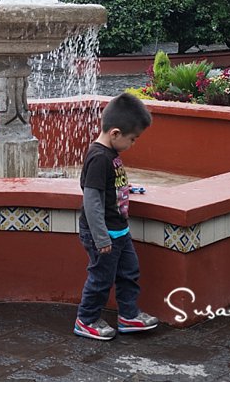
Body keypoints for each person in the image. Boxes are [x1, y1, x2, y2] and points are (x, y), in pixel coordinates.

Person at [74, 92, 159, 341]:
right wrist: (101, 239)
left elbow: (109, 189)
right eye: (133, 139)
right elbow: (91, 201)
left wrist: (125, 190)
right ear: (115, 133)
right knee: (101, 279)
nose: (133, 144)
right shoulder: (99, 158)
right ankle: (86, 320)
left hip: (119, 231)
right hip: (104, 235)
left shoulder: (110, 155)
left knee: (129, 273)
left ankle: (128, 315)